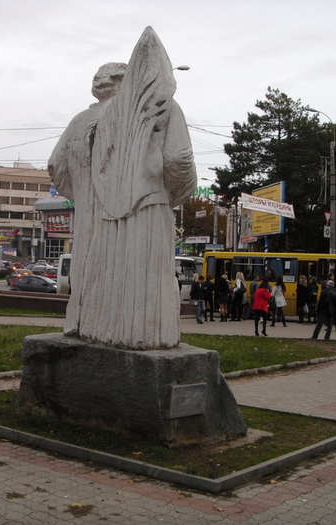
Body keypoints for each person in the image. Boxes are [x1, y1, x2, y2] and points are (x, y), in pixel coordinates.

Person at [48, 29, 197, 349]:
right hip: (147, 213)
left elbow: (55, 168)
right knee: (142, 284)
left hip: (89, 221)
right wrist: (170, 194)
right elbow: (179, 159)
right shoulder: (162, 107)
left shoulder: (78, 122)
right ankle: (144, 338)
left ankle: (87, 328)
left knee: (92, 283)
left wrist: (89, 197)